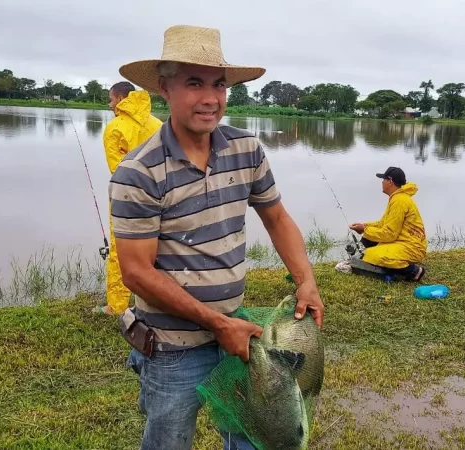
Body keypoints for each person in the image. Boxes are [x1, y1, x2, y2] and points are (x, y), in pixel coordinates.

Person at [109, 25, 325, 450]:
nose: (210, 99)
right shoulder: (138, 172)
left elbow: (277, 217)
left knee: (254, 436)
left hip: (237, 330)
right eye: (194, 83)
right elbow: (135, 272)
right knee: (168, 442)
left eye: (219, 84)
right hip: (172, 346)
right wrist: (217, 323)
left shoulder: (247, 150)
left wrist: (306, 280)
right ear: (165, 88)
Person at [96, 81, 163, 316]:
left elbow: (118, 169)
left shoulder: (115, 127)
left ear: (121, 98)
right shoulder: (158, 125)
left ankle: (117, 305)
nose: (109, 103)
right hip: (161, 195)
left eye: (111, 98)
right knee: (160, 248)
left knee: (119, 251)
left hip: (126, 198)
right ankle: (158, 299)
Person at [349, 166, 427, 281]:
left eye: (383, 179)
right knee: (371, 248)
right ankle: (363, 258)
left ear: (390, 181)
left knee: (371, 255)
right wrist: (365, 226)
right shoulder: (397, 197)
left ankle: (413, 271)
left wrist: (363, 231)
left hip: (412, 247)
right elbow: (383, 224)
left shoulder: (399, 201)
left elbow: (390, 234)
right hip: (404, 242)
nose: (382, 182)